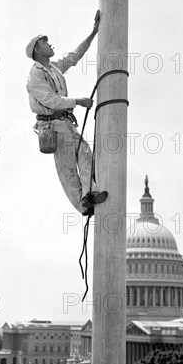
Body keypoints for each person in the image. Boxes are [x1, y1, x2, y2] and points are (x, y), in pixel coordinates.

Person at [26, 11, 108, 216]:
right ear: (37, 49)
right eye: (45, 43)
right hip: (51, 125)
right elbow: (50, 100)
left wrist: (93, 33)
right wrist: (78, 101)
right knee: (67, 168)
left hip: (64, 122)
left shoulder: (52, 68)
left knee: (85, 152)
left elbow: (74, 57)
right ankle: (83, 205)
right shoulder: (36, 74)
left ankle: (89, 193)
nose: (50, 45)